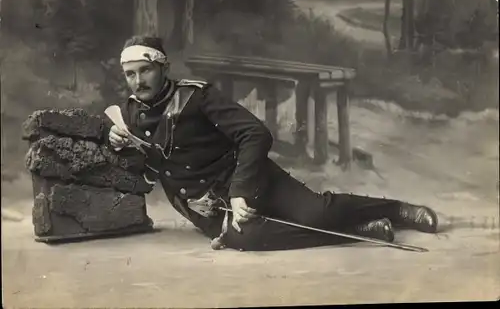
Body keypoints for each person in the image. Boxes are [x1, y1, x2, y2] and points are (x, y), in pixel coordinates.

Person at [104, 35, 439, 251]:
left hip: (250, 179)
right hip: (204, 204)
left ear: (163, 67)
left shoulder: (196, 96)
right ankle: (362, 231)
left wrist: (240, 192)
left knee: (316, 212)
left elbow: (255, 133)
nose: (138, 81)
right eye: (130, 74)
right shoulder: (129, 113)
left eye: (145, 70)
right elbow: (151, 169)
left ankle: (397, 210)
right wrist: (117, 143)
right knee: (248, 239)